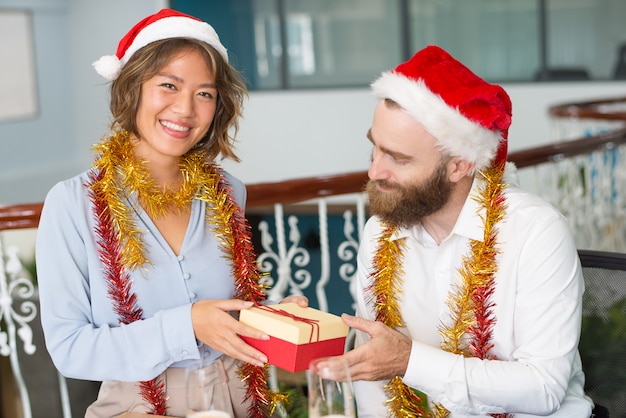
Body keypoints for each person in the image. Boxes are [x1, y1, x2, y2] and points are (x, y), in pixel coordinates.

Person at [35, 9, 305, 418]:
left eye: (204, 93)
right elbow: (70, 349)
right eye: (168, 85)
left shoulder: (229, 192)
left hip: (237, 401)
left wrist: (273, 321)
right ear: (133, 88)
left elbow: (223, 317)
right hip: (136, 407)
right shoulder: (73, 204)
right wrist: (186, 324)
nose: (185, 109)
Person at [311, 45, 594, 417]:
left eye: (399, 158)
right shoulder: (379, 233)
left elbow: (543, 388)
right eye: (375, 149)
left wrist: (410, 360)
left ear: (459, 165)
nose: (374, 172)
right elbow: (377, 376)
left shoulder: (536, 233)